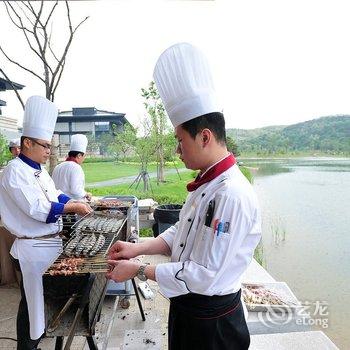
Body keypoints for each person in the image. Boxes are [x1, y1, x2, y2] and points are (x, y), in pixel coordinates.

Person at [106, 42, 262, 350]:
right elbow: (183, 231)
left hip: (212, 324)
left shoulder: (231, 194)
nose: (177, 151)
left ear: (204, 136)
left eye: (180, 140)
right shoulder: (207, 183)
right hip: (189, 309)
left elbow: (203, 274)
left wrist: (139, 270)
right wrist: (138, 248)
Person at [0, 96, 92, 350]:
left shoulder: (39, 170)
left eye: (50, 146)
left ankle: (33, 341)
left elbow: (56, 196)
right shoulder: (14, 171)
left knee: (36, 303)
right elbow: (38, 209)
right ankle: (27, 346)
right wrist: (74, 206)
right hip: (31, 249)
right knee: (33, 305)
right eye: (45, 145)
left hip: (48, 245)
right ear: (27, 142)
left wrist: (74, 202)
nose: (49, 151)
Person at [0, 138, 21, 285]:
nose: (18, 151)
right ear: (11, 151)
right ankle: (11, 277)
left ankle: (18, 278)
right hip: (9, 215)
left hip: (17, 216)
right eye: (15, 148)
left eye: (20, 148)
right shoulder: (10, 169)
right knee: (8, 249)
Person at [52, 134, 91, 201]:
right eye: (84, 156)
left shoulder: (58, 167)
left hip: (58, 203)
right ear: (79, 155)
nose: (84, 159)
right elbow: (75, 190)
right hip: (72, 206)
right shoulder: (76, 168)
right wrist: (86, 194)